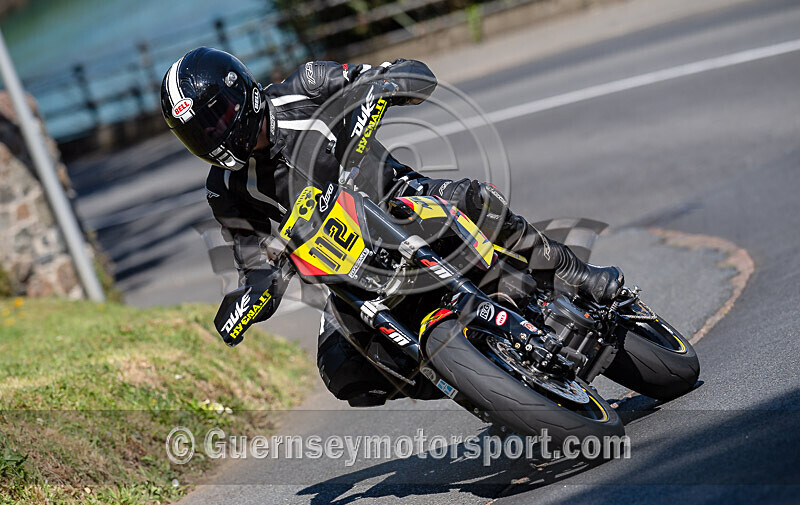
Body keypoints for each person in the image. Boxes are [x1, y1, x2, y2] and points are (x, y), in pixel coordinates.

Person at [161, 47, 623, 406]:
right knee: (340, 369)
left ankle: (573, 274)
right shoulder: (225, 189)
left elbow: (410, 73)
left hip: (397, 200)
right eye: (198, 133)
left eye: (215, 118)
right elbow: (254, 259)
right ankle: (480, 383)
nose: (214, 136)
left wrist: (381, 89)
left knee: (474, 201)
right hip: (345, 266)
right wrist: (244, 301)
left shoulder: (305, 86)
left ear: (239, 90)